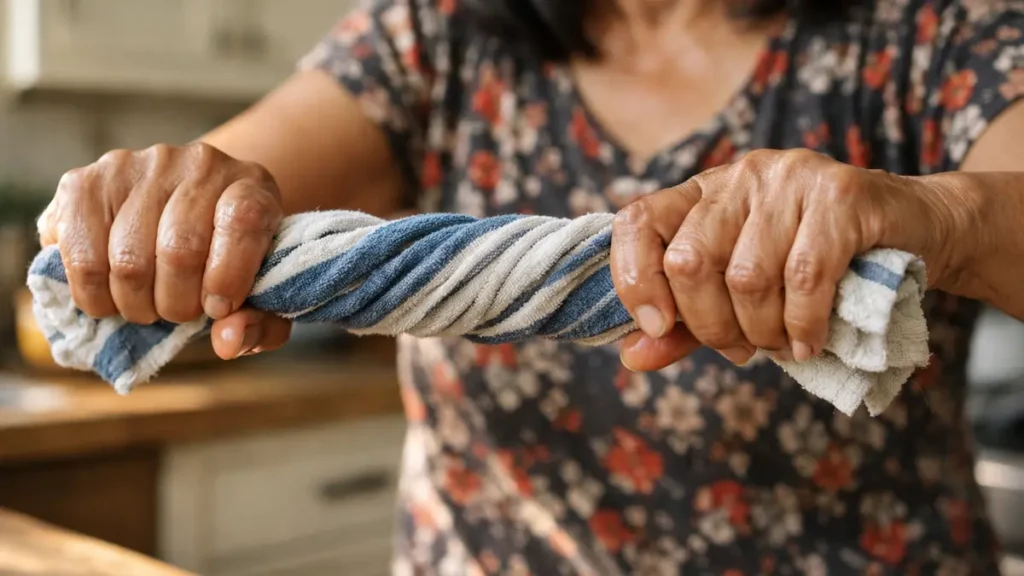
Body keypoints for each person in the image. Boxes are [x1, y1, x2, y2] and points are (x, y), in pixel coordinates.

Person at [36, 0, 1024, 573]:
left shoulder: (932, 31)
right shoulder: (435, 35)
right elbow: (208, 217)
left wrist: (941, 215)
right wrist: (162, 210)